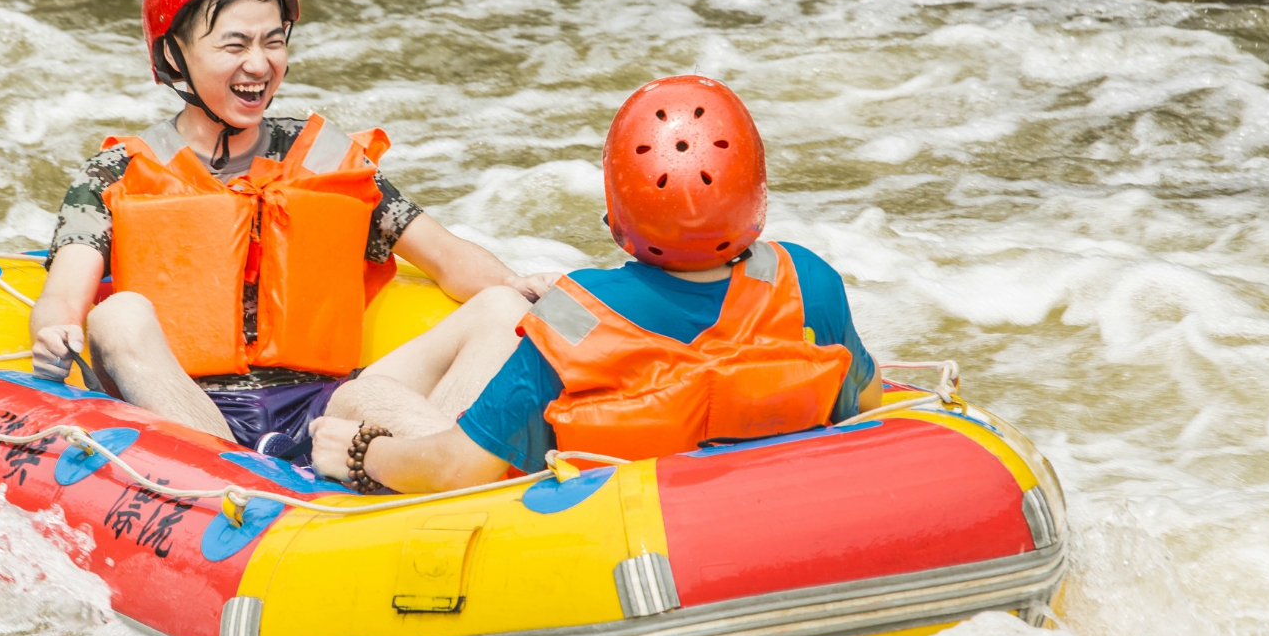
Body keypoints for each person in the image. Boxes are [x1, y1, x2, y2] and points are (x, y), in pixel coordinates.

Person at [29, 0, 540, 447]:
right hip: (193, 409)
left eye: (272, 42)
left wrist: (525, 287)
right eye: (234, 45)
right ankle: (239, 470)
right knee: (118, 315)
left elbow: (448, 257)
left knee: (501, 307)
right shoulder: (114, 174)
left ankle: (442, 465)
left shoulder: (325, 159)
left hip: (324, 405)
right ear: (173, 54)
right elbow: (64, 297)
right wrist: (54, 333)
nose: (258, 64)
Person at [310, 75, 883, 493]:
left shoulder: (575, 313)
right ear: (756, 194)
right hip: (752, 506)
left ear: (616, 218)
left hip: (565, 522)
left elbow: (457, 470)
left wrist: (366, 453)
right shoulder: (806, 279)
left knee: (352, 399)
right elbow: (867, 404)